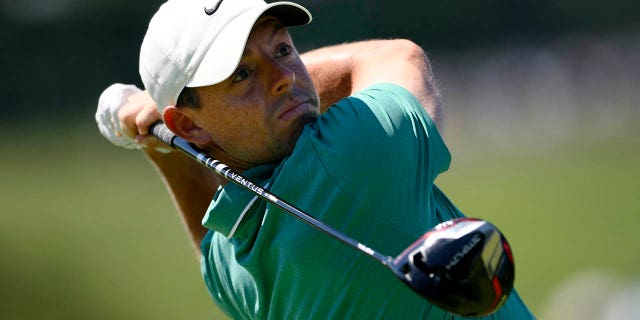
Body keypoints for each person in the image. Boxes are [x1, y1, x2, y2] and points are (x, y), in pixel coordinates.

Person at [96, 0, 536, 319]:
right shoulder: (356, 154)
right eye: (244, 74)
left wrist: (160, 143)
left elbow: (212, 244)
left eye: (283, 50)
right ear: (190, 126)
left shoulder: (232, 261)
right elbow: (394, 56)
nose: (285, 78)